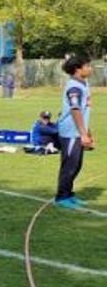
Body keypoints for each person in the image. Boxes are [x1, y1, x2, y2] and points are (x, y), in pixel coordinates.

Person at [54, 55, 94, 209]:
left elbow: (84, 111)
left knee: (76, 165)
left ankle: (69, 194)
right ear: (78, 69)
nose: (90, 69)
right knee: (70, 165)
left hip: (78, 131)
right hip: (70, 132)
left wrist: (88, 133)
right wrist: (83, 134)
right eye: (87, 66)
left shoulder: (84, 84)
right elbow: (75, 110)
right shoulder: (74, 87)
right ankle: (61, 197)